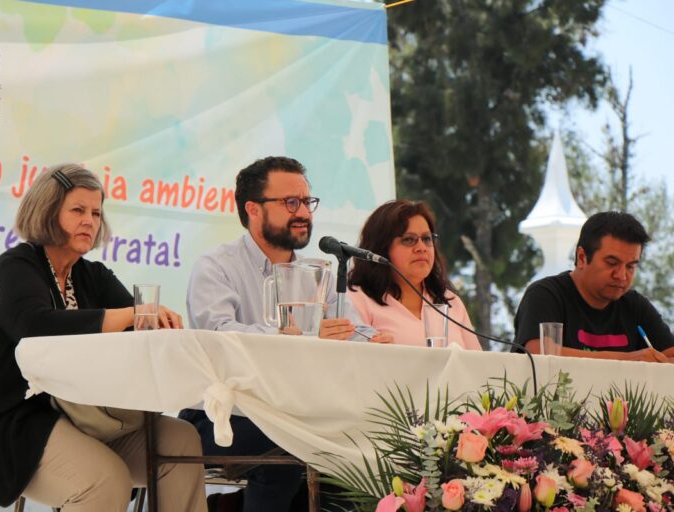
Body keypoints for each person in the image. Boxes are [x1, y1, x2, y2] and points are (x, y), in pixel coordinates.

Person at [0, 164, 207, 511]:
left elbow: (137, 331)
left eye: (95, 212)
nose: (89, 220)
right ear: (46, 211)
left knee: (180, 441)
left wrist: (159, 328)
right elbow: (35, 326)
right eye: (78, 210)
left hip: (74, 416)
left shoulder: (92, 275)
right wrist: (133, 313)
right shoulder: (14, 267)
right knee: (105, 480)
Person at [181, 155, 369, 511]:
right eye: (290, 202)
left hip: (292, 414)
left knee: (356, 451)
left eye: (307, 202)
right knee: (289, 445)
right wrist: (303, 337)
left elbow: (354, 329)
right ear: (253, 209)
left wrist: (374, 340)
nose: (303, 213)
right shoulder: (217, 266)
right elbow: (220, 335)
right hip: (219, 416)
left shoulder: (318, 275)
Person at [514, 210, 674, 362]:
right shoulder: (546, 294)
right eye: (612, 263)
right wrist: (629, 360)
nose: (622, 275)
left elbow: (669, 354)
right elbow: (539, 352)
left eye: (630, 266)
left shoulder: (635, 306)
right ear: (582, 257)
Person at [347, 199, 481, 349]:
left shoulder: (451, 301)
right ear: (381, 248)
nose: (421, 247)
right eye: (409, 240)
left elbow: (478, 366)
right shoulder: (357, 298)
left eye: (426, 239)